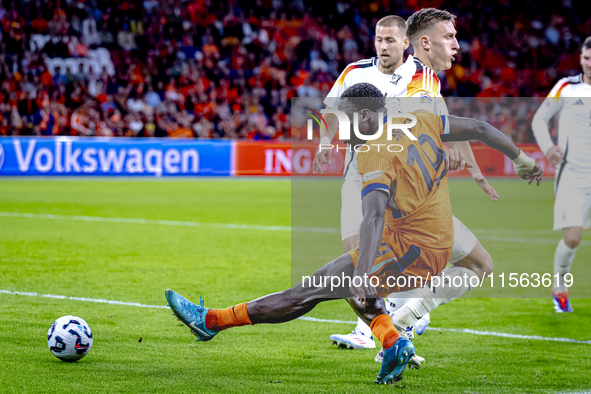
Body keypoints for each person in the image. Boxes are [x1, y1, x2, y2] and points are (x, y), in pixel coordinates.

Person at [166, 82, 542, 384]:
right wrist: (523, 160)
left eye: (346, 120)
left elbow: (374, 217)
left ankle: (211, 321)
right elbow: (480, 128)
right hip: (446, 229)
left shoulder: (373, 153)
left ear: (364, 114)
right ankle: (395, 338)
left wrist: (363, 271)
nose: (343, 129)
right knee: (479, 265)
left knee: (311, 290)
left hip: (411, 247)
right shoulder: (419, 118)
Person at [317, 9, 497, 363]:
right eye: (378, 40)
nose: (383, 46)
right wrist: (326, 141)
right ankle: (398, 321)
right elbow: (330, 112)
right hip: (360, 172)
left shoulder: (421, 75)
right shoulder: (355, 72)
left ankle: (386, 329)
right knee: (357, 250)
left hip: (405, 180)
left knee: (380, 253)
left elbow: (444, 119)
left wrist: (469, 163)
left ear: (406, 43)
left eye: (390, 40)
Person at [532, 36, 591, 313]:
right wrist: (548, 147)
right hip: (573, 173)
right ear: (581, 59)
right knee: (572, 237)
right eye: (587, 58)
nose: (590, 64)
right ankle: (560, 288)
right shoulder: (566, 87)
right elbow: (539, 119)